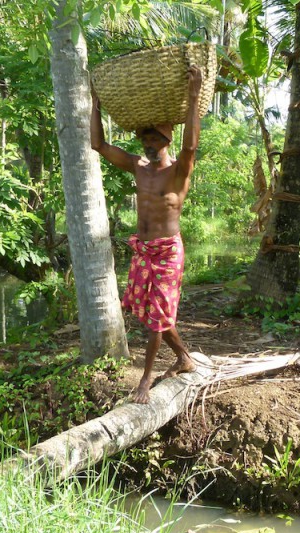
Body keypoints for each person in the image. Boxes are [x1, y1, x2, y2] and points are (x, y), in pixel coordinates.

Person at [90, 66, 203, 404]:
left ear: (168, 140)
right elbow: (98, 144)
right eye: (145, 139)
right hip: (143, 250)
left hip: (168, 252)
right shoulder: (138, 167)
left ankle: (146, 378)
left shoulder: (179, 170)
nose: (149, 144)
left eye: (156, 138)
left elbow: (192, 146)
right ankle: (184, 357)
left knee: (157, 317)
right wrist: (95, 104)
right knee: (150, 312)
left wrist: (194, 96)